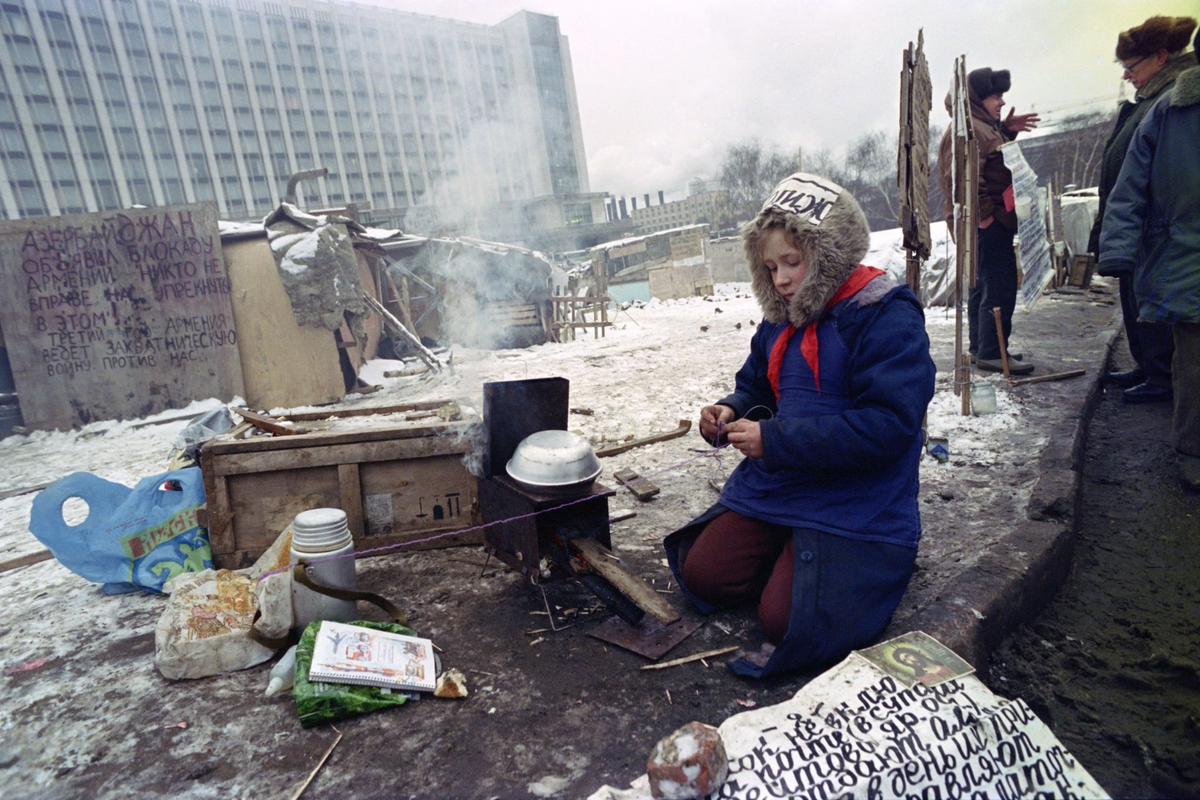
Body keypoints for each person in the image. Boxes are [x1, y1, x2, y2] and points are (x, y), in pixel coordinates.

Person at [663, 173, 936, 679]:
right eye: (770, 267)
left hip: (856, 492)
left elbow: (888, 426)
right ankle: (792, 554)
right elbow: (759, 390)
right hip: (784, 480)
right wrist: (730, 409)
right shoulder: (780, 320)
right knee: (704, 576)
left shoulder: (884, 315)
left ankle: (823, 567)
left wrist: (776, 439)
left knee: (784, 621)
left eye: (793, 261)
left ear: (830, 251)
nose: (782, 279)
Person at [1099, 29, 1200, 490]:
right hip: (1180, 255)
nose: (1127, 74)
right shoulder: (1169, 106)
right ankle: (1192, 452)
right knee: (1192, 359)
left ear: (1161, 58)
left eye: (1133, 65)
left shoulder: (1165, 100)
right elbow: (1131, 181)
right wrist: (1117, 248)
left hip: (1171, 250)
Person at [936, 67, 1040, 375]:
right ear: (978, 99)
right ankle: (992, 352)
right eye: (996, 97)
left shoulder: (981, 126)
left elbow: (990, 160)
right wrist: (986, 216)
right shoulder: (967, 130)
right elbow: (961, 179)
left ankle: (983, 348)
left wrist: (1006, 131)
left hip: (986, 222)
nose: (1001, 102)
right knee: (998, 285)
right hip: (985, 223)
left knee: (984, 285)